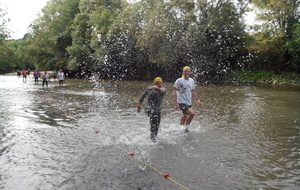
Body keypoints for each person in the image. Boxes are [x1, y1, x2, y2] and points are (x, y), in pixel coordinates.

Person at [173, 66, 202, 132]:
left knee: (184, 117)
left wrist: (198, 100)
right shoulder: (179, 81)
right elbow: (174, 91)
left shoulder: (191, 80)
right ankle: (186, 128)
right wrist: (176, 103)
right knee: (192, 113)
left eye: (188, 71)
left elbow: (193, 91)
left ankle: (179, 128)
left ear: (190, 72)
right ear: (183, 72)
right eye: (185, 71)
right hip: (181, 101)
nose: (187, 73)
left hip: (188, 102)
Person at [137, 77, 166, 142]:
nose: (158, 84)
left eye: (159, 83)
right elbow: (143, 96)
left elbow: (163, 90)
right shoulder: (149, 88)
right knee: (153, 123)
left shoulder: (163, 89)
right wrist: (139, 105)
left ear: (161, 83)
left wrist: (158, 88)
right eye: (157, 83)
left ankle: (154, 137)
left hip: (158, 110)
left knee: (157, 125)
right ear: (154, 83)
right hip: (149, 109)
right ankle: (152, 139)